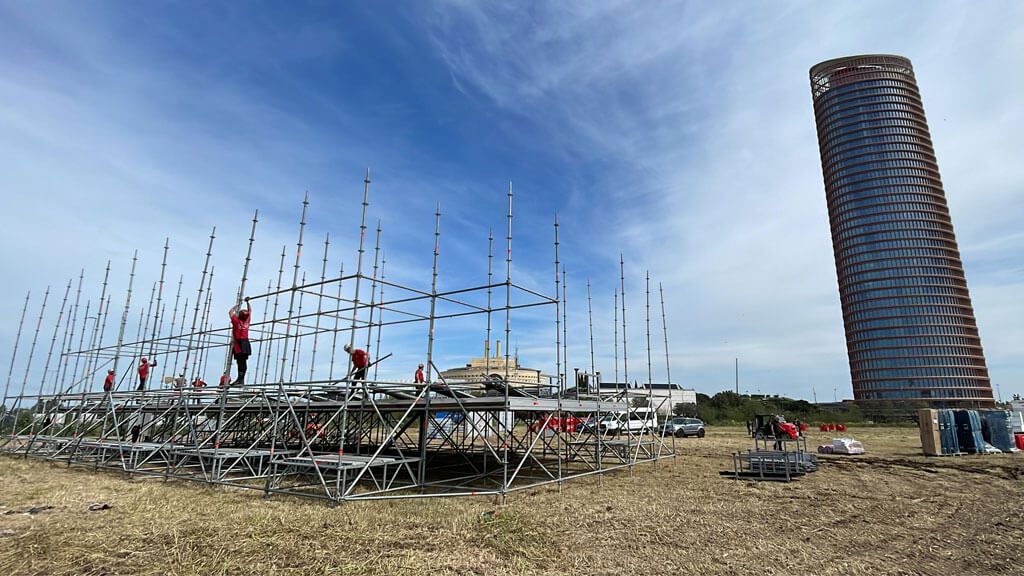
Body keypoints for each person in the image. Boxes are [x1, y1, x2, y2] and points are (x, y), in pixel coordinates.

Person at [229, 298, 252, 386]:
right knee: (243, 361)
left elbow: (230, 312)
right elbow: (250, 311)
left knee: (240, 361)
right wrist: (248, 303)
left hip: (239, 343)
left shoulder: (236, 321)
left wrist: (237, 306)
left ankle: (240, 379)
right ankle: (241, 379)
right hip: (245, 342)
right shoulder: (247, 321)